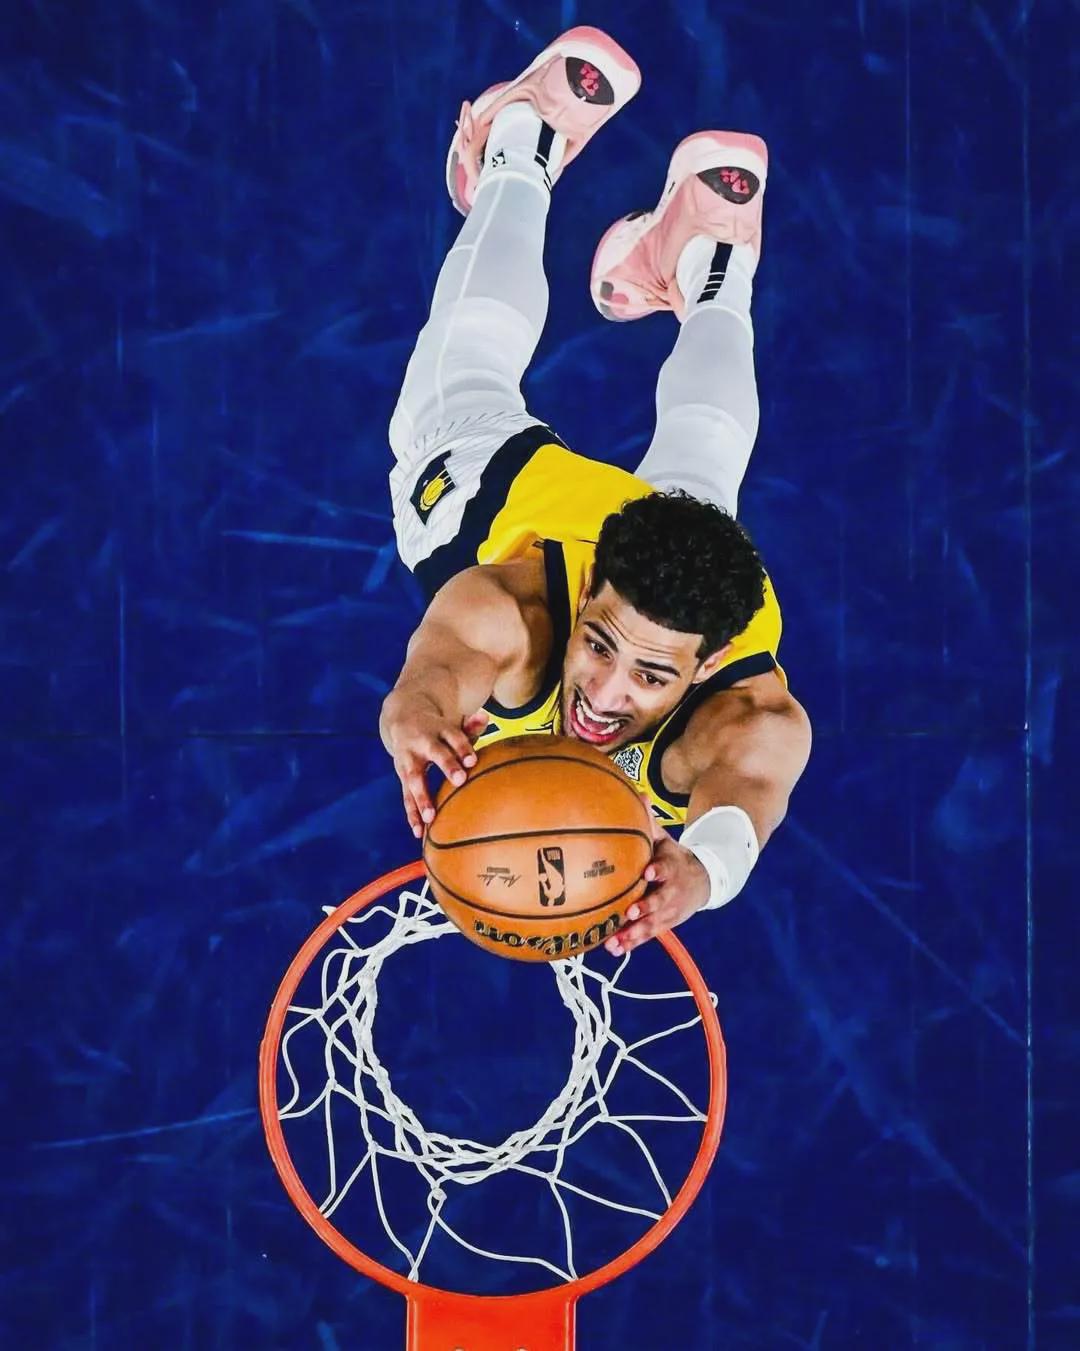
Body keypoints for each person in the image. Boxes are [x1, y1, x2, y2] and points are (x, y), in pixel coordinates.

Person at [379, 26, 811, 955]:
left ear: (711, 660)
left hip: (665, 556)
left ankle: (714, 253)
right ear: (590, 586)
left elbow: (741, 817)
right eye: (603, 643)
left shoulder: (749, 716)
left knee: (704, 468)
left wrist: (698, 875)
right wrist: (417, 714)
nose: (604, 692)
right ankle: (525, 136)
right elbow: (438, 669)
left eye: (653, 674)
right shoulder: (509, 609)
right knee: (463, 370)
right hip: (499, 491)